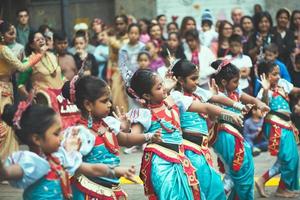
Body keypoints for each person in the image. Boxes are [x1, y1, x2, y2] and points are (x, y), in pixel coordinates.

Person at [127, 69, 243, 199]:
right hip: (160, 163)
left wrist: (231, 114)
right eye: (159, 88)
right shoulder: (144, 114)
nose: (164, 88)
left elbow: (205, 107)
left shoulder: (174, 99)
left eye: (162, 84)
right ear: (147, 96)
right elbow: (129, 139)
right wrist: (148, 136)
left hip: (180, 159)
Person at [0, 102, 137, 199]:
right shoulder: (32, 163)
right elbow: (7, 172)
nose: (61, 137)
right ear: (36, 139)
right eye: (56, 133)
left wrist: (117, 171)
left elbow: (92, 169)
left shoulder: (60, 157)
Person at [61, 75, 161, 199]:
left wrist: (148, 136)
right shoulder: (80, 133)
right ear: (88, 104)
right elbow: (71, 165)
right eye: (104, 101)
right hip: (89, 192)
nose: (109, 104)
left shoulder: (108, 124)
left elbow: (126, 139)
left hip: (111, 189)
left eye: (109, 100)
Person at [171, 59, 253, 200]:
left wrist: (239, 106)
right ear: (180, 80)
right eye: (193, 79)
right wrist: (230, 114)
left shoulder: (197, 93)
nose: (196, 82)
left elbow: (216, 97)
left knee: (211, 189)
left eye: (197, 78)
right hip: (190, 149)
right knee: (209, 189)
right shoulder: (177, 96)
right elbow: (207, 107)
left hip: (201, 149)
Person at [210, 59, 269, 200]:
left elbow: (244, 97)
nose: (238, 85)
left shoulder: (234, 91)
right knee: (239, 172)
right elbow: (214, 114)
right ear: (224, 82)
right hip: (226, 137)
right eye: (235, 81)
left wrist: (258, 102)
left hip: (235, 136)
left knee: (237, 173)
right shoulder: (216, 95)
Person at [0, 21, 44, 159]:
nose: (14, 36)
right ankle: (6, 161)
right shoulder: (4, 49)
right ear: (2, 35)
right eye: (10, 33)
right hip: (3, 90)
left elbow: (9, 70)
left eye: (14, 33)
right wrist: (38, 55)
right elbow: (22, 68)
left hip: (5, 88)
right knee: (6, 123)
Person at [255, 61, 299, 198]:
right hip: (275, 127)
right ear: (265, 76)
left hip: (287, 125)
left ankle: (265, 181)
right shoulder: (263, 91)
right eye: (274, 74)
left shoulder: (283, 84)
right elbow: (264, 107)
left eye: (278, 73)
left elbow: (296, 91)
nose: (278, 76)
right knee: (288, 157)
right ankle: (281, 189)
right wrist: (266, 90)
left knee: (292, 158)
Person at [107, 15, 129, 111]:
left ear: (126, 24)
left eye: (121, 24)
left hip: (129, 72)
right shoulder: (112, 40)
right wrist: (108, 75)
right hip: (116, 72)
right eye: (117, 24)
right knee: (116, 99)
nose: (119, 26)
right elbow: (110, 59)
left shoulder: (130, 39)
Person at [271, 8, 296, 72]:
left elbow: (290, 49)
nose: (283, 20)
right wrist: (283, 46)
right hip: (272, 63)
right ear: (277, 18)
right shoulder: (271, 31)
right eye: (281, 17)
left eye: (285, 18)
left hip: (287, 63)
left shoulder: (290, 33)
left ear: (288, 20)